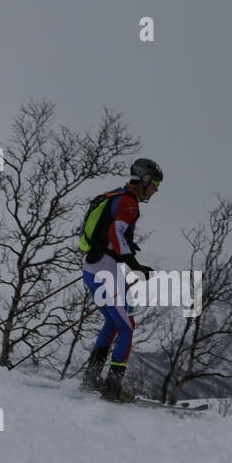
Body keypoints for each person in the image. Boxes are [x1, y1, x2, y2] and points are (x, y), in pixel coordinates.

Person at [77, 157, 163, 400]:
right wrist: (135, 266)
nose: (156, 189)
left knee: (115, 322)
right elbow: (116, 233)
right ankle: (112, 386)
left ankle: (92, 378)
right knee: (126, 326)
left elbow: (112, 231)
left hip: (99, 266)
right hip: (104, 269)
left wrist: (127, 250)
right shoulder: (128, 202)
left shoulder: (116, 196)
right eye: (155, 183)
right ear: (144, 181)